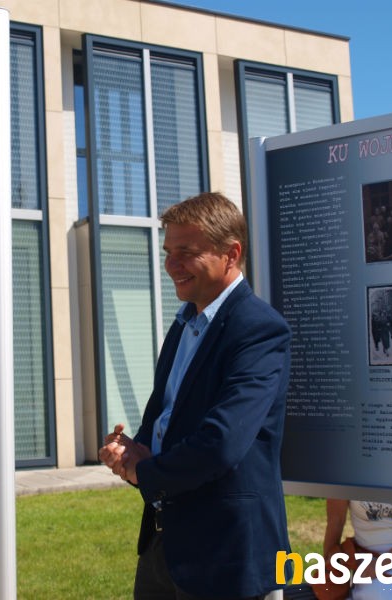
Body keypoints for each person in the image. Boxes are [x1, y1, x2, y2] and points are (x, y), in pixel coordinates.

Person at [99, 191, 292, 599]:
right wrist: (132, 452)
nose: (171, 265)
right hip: (162, 547)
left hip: (225, 557)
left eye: (186, 252)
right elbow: (166, 418)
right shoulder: (184, 325)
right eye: (168, 252)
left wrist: (145, 472)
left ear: (231, 254)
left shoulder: (258, 329)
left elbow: (222, 442)